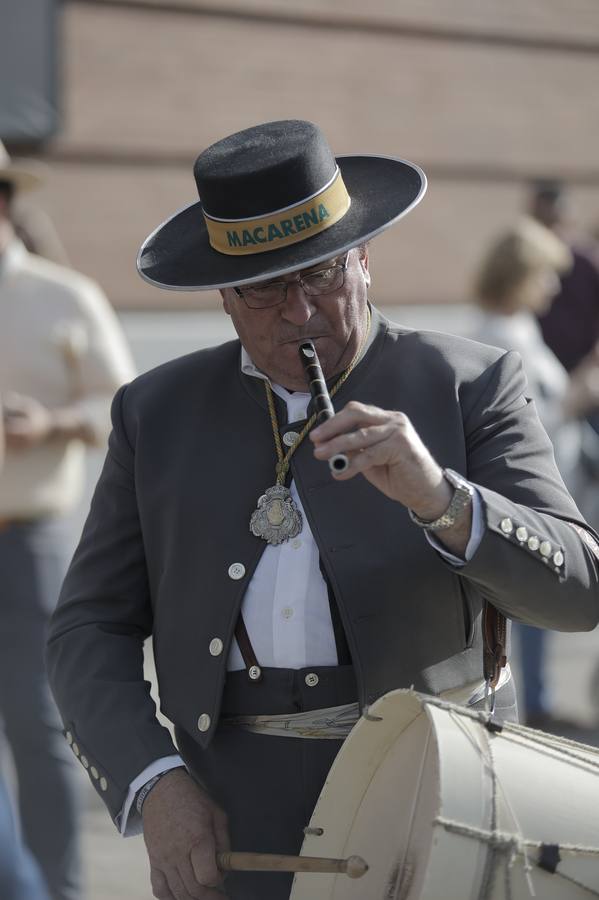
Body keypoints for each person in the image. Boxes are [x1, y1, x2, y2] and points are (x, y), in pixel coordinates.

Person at [47, 120, 599, 900]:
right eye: (267, 289)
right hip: (233, 814)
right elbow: (87, 628)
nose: (300, 314)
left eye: (322, 275)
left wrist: (440, 501)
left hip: (434, 794)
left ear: (365, 260)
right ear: (225, 297)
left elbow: (579, 593)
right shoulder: (155, 410)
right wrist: (156, 783)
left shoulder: (469, 384)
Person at [0, 142, 136, 900]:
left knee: (34, 726)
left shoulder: (65, 296)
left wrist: (49, 423)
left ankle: (55, 890)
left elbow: (122, 406)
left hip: (28, 540)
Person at [470, 216, 599, 728]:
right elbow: (525, 424)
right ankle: (537, 704)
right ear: (520, 275)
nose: (552, 286)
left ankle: (540, 700)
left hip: (563, 484)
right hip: (538, 496)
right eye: (545, 274)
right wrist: (581, 392)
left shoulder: (517, 327)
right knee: (538, 601)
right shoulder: (502, 336)